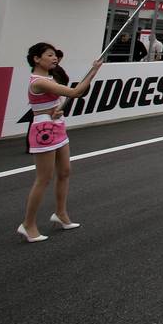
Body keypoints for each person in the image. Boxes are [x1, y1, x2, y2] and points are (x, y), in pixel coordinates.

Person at [18, 42, 103, 242]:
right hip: (43, 132)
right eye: (49, 55)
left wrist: (57, 110)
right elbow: (74, 93)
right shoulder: (38, 81)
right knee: (43, 179)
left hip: (57, 127)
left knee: (65, 172)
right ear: (36, 59)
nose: (54, 58)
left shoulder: (48, 78)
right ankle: (28, 224)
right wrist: (94, 71)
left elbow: (52, 103)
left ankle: (61, 214)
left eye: (55, 55)